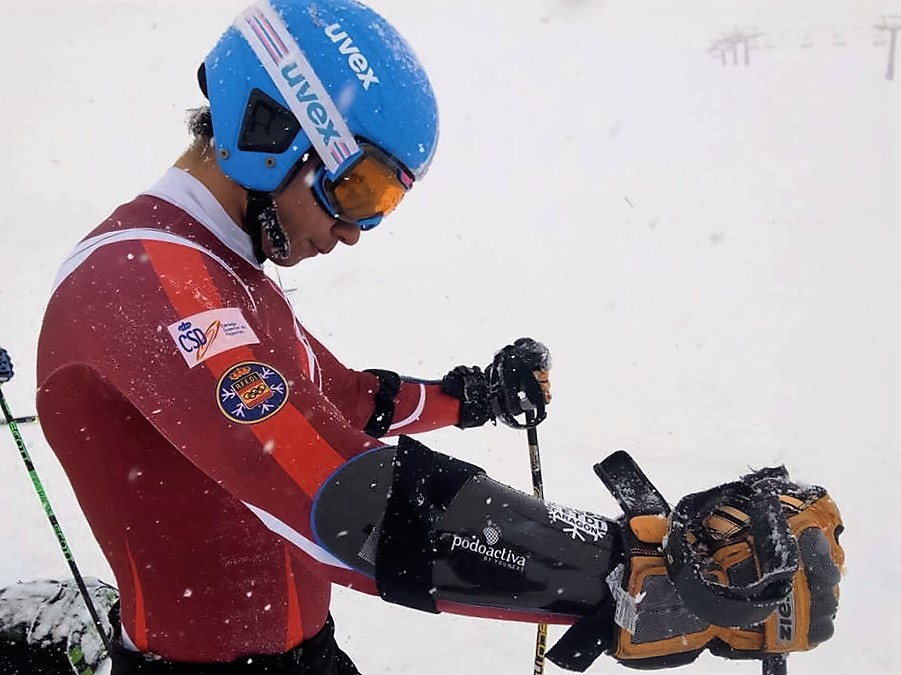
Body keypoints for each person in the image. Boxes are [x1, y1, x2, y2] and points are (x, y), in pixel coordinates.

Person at [7, 0, 844, 673]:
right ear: (268, 128)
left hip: (304, 653)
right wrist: (623, 573)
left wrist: (467, 397)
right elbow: (338, 498)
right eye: (356, 188)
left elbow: (333, 401)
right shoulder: (147, 284)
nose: (357, 231)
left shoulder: (218, 276)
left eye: (386, 203)